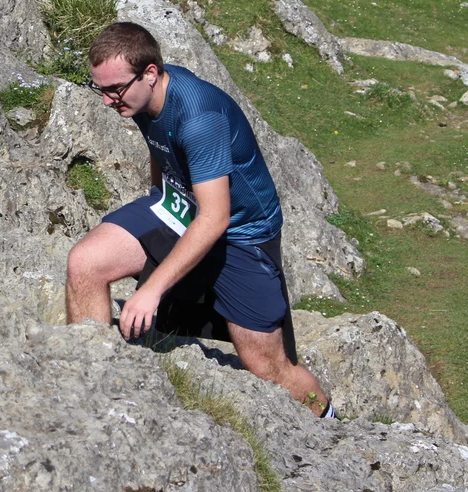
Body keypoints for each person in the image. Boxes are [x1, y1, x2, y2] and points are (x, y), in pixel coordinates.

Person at [65, 21, 335, 418]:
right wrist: (157, 195)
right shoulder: (140, 95)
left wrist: (151, 290)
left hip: (240, 235)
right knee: (85, 263)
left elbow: (215, 218)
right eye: (99, 88)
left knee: (269, 367)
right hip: (181, 207)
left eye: (114, 89)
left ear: (151, 73)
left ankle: (330, 423)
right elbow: (161, 141)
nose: (106, 101)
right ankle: (89, 389)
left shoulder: (199, 118)